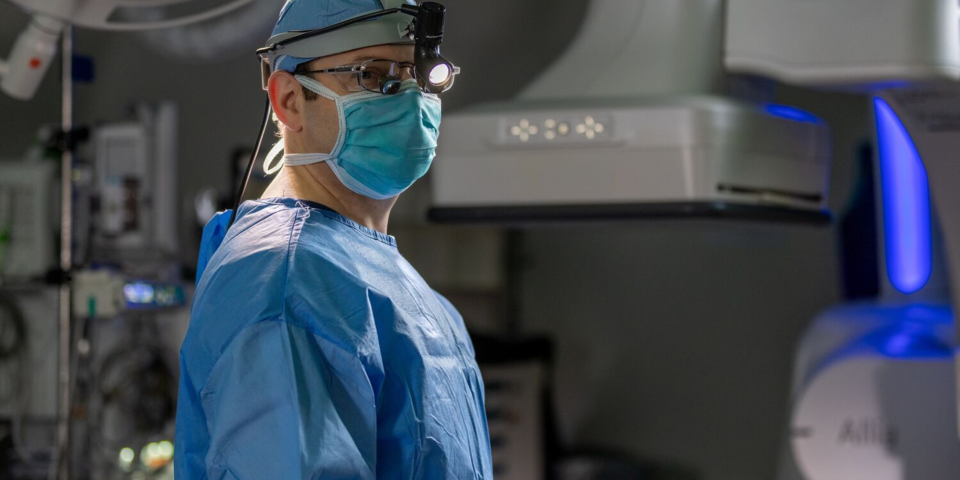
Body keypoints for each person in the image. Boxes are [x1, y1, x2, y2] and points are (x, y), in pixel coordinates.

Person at [173, 0, 493, 478]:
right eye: (372, 75)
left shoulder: (400, 287)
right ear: (288, 100)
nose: (407, 97)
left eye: (420, 76)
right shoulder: (285, 281)